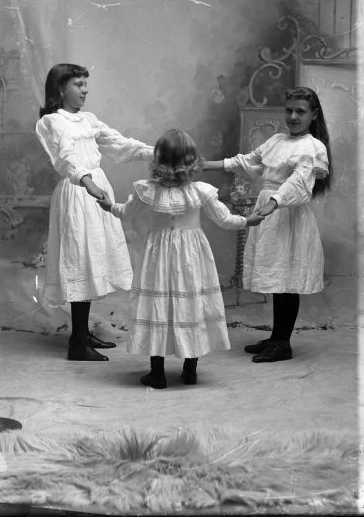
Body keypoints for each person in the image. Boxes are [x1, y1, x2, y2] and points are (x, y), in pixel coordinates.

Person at [97, 129, 265, 388]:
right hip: (191, 256)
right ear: (191, 161)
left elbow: (125, 213)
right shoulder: (199, 191)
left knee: (159, 305)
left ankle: (157, 372)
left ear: (158, 160)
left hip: (159, 257)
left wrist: (109, 205)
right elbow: (225, 220)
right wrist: (248, 220)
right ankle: (190, 369)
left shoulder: (149, 191)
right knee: (191, 303)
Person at [203, 87, 332, 363]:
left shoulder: (312, 147)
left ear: (314, 115)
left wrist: (274, 202)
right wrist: (206, 165)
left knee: (287, 280)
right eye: (289, 110)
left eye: (301, 111)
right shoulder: (277, 140)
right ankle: (275, 337)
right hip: (271, 209)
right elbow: (247, 162)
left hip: (289, 212)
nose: (294, 116)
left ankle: (283, 342)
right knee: (278, 278)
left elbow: (299, 181)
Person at [36, 63, 154, 361]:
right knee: (80, 259)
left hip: (96, 188)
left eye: (86, 84)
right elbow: (64, 158)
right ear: (61, 88)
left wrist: (160, 151)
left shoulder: (88, 120)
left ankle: (82, 333)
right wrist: (86, 181)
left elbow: (119, 144)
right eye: (78, 84)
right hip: (77, 193)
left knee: (93, 260)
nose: (85, 90)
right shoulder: (52, 122)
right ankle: (77, 343)